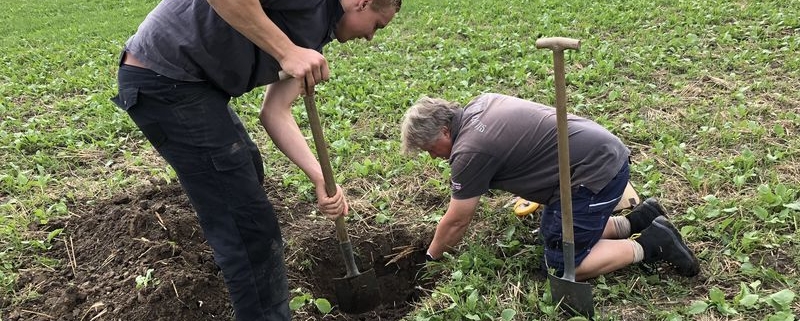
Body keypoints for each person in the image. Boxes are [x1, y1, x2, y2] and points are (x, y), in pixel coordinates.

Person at [110, 0, 401, 319]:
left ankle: (243, 277)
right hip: (164, 77)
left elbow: (275, 112)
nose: (372, 37)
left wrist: (319, 176)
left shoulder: (316, 36)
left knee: (247, 169)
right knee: (248, 226)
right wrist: (287, 51)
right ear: (361, 3)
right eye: (377, 25)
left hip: (194, 85)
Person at [400, 93, 700, 281]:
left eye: (430, 148)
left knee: (562, 263)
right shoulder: (481, 103)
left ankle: (652, 244)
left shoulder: (469, 151)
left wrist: (431, 258)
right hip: (599, 158)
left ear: (444, 129)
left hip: (595, 175)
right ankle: (636, 219)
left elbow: (457, 220)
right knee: (554, 234)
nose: (434, 156)